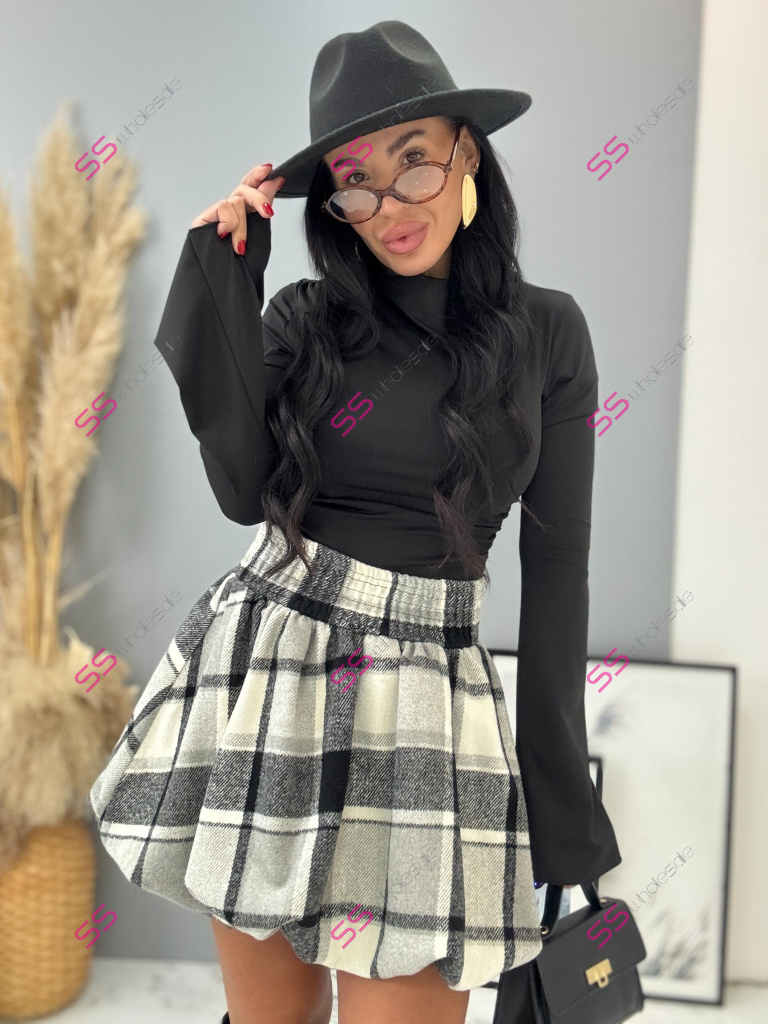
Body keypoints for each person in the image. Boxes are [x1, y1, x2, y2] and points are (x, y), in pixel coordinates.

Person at [89, 19, 620, 1024]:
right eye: (355, 181)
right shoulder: (306, 319)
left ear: (468, 150)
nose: (389, 206)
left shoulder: (550, 334)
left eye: (414, 160)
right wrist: (225, 280)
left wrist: (561, 804)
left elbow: (562, 569)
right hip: (275, 668)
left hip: (429, 700)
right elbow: (242, 491)